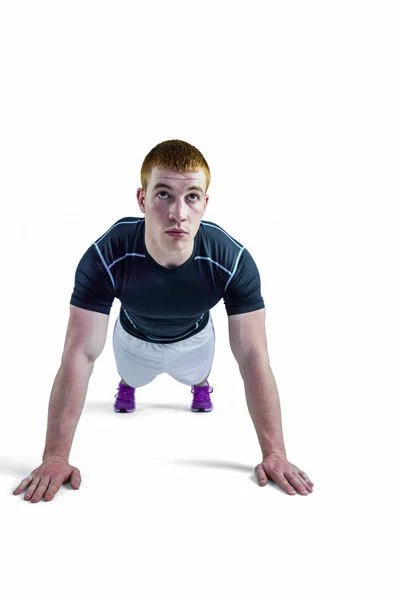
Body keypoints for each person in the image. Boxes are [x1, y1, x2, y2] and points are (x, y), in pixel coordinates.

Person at [13, 139, 314, 503]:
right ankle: (128, 385)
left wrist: (274, 453)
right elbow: (79, 353)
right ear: (141, 200)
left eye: (191, 197)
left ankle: (199, 384)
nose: (178, 214)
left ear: (205, 203)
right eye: (163, 195)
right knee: (132, 376)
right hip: (133, 338)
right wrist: (55, 456)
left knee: (196, 374)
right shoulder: (106, 254)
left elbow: (253, 357)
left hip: (195, 340)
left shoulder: (232, 260)